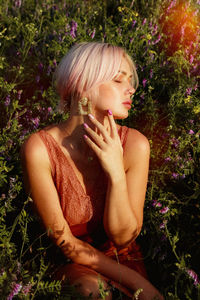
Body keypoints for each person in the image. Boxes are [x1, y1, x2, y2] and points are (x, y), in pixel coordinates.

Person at [21, 42, 164, 300]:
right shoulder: (39, 149)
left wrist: (116, 173)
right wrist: (143, 287)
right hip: (69, 267)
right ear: (84, 85)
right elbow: (64, 243)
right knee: (93, 291)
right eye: (119, 80)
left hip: (122, 261)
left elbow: (122, 238)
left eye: (130, 81)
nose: (131, 88)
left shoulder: (135, 145)